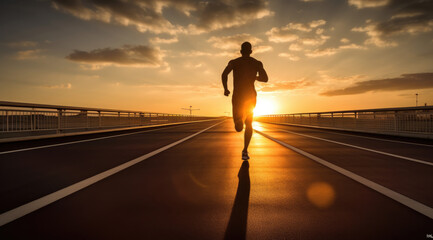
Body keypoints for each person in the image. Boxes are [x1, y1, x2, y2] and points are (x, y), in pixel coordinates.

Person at [221, 42, 268, 160]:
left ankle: (239, 122)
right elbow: (265, 78)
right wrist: (255, 77)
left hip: (238, 96)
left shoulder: (234, 62)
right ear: (251, 51)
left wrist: (226, 89)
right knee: (248, 124)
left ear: (241, 51)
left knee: (239, 127)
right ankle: (245, 150)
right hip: (251, 96)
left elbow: (224, 74)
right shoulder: (257, 63)